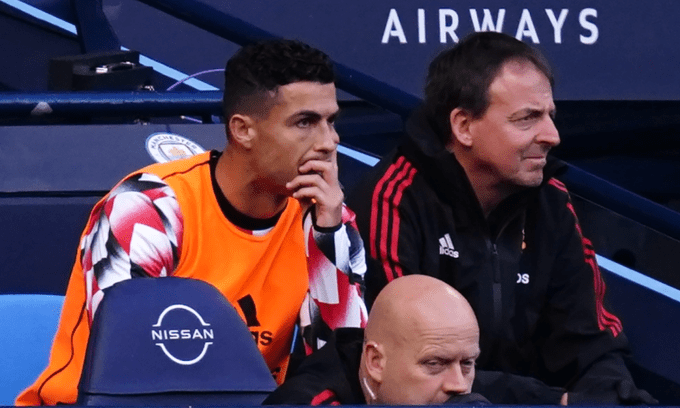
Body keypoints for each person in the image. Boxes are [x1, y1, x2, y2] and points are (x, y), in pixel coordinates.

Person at [17, 39, 368, 406]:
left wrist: (329, 236)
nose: (329, 142)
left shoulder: (326, 216)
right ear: (242, 130)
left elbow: (338, 372)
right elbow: (133, 372)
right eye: (305, 122)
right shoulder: (147, 209)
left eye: (331, 122)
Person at [347, 31, 654, 404]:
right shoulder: (392, 198)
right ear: (463, 126)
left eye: (550, 116)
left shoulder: (551, 200)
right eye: (527, 118)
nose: (552, 135)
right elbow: (410, 366)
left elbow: (591, 341)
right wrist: (554, 401)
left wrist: (609, 393)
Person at [264, 274, 487, 405]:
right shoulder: (305, 401)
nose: (459, 385)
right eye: (434, 363)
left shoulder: (462, 390)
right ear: (376, 362)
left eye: (467, 363)